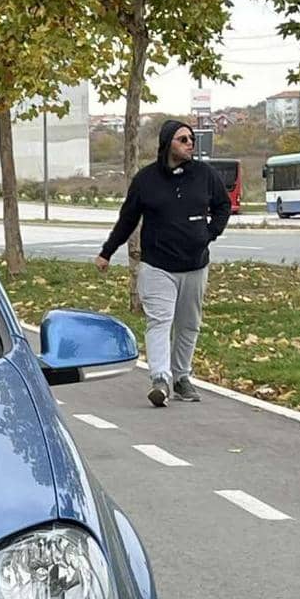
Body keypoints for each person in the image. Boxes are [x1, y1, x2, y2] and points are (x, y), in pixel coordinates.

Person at [95, 120, 231, 407]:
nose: (190, 143)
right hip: (157, 266)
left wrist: (209, 233)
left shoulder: (205, 175)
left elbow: (223, 206)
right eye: (183, 139)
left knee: (188, 324)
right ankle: (159, 378)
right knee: (159, 321)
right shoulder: (146, 180)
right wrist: (107, 252)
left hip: (195, 264)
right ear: (168, 143)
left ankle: (181, 378)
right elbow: (127, 220)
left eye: (191, 139)